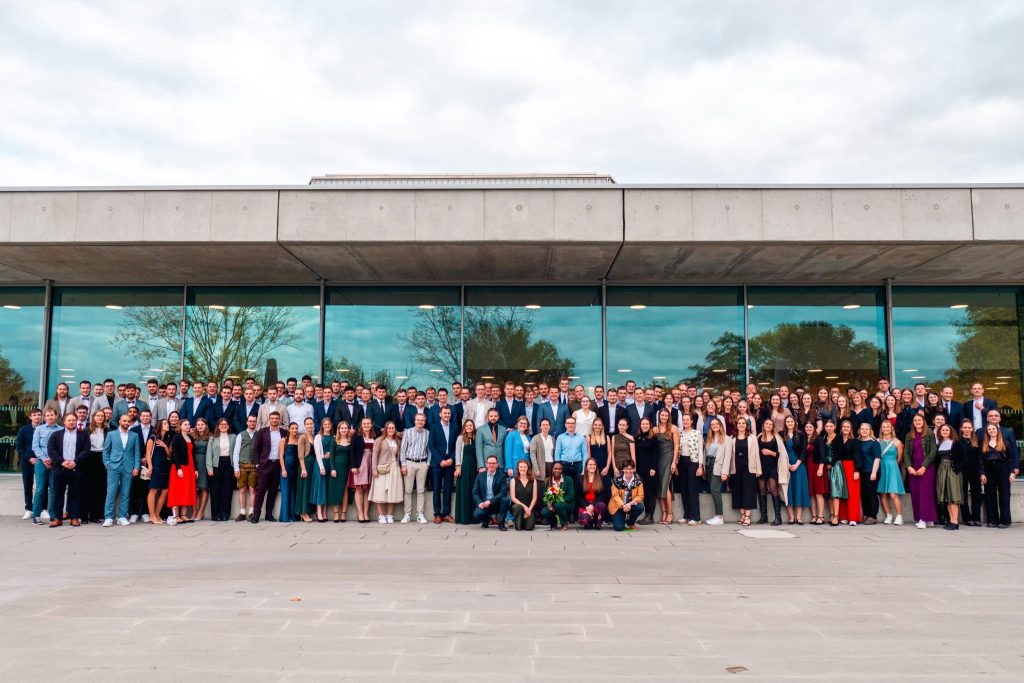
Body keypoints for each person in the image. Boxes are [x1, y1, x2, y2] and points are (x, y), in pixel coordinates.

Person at [47, 412, 89, 527]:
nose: (71, 422)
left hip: (76, 468)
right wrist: (62, 461)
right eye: (69, 420)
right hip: (60, 468)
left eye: (73, 420)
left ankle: (74, 517)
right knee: (57, 494)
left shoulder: (83, 435)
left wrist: (76, 461)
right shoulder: (56, 435)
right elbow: (51, 450)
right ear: (64, 422)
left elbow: (86, 450)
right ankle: (57, 518)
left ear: (77, 421)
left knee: (75, 494)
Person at [717, 415, 760, 527]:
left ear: (746, 426)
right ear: (736, 425)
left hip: (749, 468)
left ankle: (747, 516)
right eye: (739, 423)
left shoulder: (752, 438)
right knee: (738, 491)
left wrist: (758, 470)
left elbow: (756, 455)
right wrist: (725, 471)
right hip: (736, 469)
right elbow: (728, 456)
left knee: (748, 492)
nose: (741, 425)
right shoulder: (731, 439)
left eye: (743, 423)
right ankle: (742, 515)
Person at [101, 414, 141, 527]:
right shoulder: (111, 434)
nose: (126, 423)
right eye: (124, 421)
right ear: (119, 421)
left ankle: (122, 516)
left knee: (125, 492)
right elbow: (106, 451)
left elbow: (136, 453)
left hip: (128, 466)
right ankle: (108, 517)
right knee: (111, 492)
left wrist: (137, 467)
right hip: (113, 466)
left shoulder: (134, 435)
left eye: (128, 421)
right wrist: (107, 463)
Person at [251, 411, 287, 524]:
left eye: (277, 418)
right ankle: (256, 515)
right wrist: (257, 464)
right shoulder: (262, 432)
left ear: (279, 420)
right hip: (264, 465)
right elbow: (256, 449)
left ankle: (269, 514)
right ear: (269, 419)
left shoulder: (285, 432)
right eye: (272, 418)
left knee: (273, 491)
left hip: (277, 465)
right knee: (260, 491)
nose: (275, 420)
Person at [904, 413, 938, 529]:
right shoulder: (909, 435)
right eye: (915, 420)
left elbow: (933, 452)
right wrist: (909, 467)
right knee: (916, 493)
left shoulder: (929, 434)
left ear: (923, 421)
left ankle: (926, 518)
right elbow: (906, 453)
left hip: (926, 468)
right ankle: (921, 518)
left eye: (919, 420)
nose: (917, 422)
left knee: (926, 493)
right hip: (914, 468)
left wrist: (924, 466)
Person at [428, 405, 458, 523]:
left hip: (450, 461)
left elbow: (457, 445)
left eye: (448, 413)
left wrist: (452, 458)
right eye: (445, 413)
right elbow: (431, 445)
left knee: (448, 488)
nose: (447, 415)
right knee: (436, 488)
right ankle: (437, 514)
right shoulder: (434, 427)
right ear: (440, 414)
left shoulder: (454, 427)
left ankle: (446, 513)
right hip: (437, 462)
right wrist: (440, 460)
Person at [399, 412, 431, 524]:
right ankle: (407, 514)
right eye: (418, 420)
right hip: (410, 463)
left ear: (425, 421)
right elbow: (403, 449)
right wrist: (403, 464)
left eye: (422, 420)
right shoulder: (408, 432)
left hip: (422, 463)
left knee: (421, 490)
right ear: (414, 421)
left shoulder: (428, 433)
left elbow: (429, 449)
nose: (420, 422)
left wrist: (428, 464)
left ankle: (420, 514)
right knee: (408, 490)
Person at [369, 421, 402, 523]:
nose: (391, 430)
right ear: (385, 429)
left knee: (392, 492)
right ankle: (381, 515)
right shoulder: (379, 440)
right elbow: (374, 456)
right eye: (389, 428)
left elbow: (399, 456)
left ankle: (389, 515)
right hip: (382, 468)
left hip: (394, 468)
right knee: (380, 492)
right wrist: (374, 470)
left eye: (393, 428)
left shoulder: (397, 441)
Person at [755, 418, 787, 526]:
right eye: (766, 424)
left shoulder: (776, 438)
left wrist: (770, 452)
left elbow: (779, 454)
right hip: (761, 467)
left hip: (772, 467)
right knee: (762, 490)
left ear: (773, 426)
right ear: (764, 425)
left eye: (770, 424)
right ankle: (764, 516)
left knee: (774, 490)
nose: (768, 425)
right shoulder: (759, 437)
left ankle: (778, 517)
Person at [980, 423, 1012, 528]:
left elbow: (1010, 459)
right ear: (987, 431)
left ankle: (1005, 521)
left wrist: (1011, 473)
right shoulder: (983, 443)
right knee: (990, 495)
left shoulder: (1005, 443)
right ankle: (993, 520)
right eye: (989, 429)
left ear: (997, 430)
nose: (991, 430)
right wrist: (982, 473)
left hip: (1003, 470)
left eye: (993, 428)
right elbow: (980, 461)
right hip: (989, 471)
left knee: (1004, 495)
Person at [166, 419, 198, 525]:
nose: (188, 426)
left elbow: (193, 455)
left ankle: (183, 515)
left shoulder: (190, 438)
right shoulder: (177, 437)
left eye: (189, 424)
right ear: (180, 426)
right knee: (177, 490)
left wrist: (196, 469)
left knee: (186, 490)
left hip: (190, 467)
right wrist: (178, 468)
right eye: (185, 424)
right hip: (180, 467)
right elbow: (174, 453)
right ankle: (176, 516)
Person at [81, 410, 109, 524]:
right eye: (98, 416)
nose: (100, 418)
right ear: (93, 417)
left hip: (101, 458)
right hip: (89, 458)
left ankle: (95, 515)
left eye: (102, 416)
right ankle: (83, 515)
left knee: (99, 488)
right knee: (87, 488)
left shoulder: (107, 430)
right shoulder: (86, 430)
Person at [935, 423, 964, 531]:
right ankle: (951, 520)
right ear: (940, 432)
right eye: (943, 430)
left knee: (953, 497)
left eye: (947, 430)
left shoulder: (956, 443)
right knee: (946, 497)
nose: (945, 432)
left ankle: (955, 521)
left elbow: (964, 458)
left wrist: (957, 468)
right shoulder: (939, 444)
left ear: (951, 431)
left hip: (952, 471)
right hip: (942, 471)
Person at [652, 409, 679, 525]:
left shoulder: (673, 428)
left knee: (665, 486)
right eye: (662, 415)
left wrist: (674, 462)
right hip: (658, 459)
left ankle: (670, 513)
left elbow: (677, 445)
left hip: (668, 459)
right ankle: (663, 512)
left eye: (666, 415)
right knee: (659, 487)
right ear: (659, 416)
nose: (664, 417)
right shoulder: (654, 429)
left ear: (669, 416)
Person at [876, 420, 905, 525]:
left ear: (891, 428)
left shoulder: (897, 442)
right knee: (883, 494)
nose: (885, 429)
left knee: (893, 494)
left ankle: (899, 516)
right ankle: (889, 515)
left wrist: (892, 465)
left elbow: (900, 458)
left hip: (892, 467)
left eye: (887, 427)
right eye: (883, 427)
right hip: (881, 467)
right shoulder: (877, 441)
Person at [205, 418, 235, 521]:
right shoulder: (212, 438)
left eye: (225, 424)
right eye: (221, 424)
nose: (223, 426)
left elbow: (235, 453)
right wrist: (209, 468)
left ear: (228, 426)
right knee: (215, 491)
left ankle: (225, 514)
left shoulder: (233, 437)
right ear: (218, 426)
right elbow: (209, 454)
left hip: (229, 464)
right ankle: (216, 514)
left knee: (227, 490)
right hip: (216, 465)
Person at [782, 415, 809, 525]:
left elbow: (803, 451)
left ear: (795, 422)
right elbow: (780, 451)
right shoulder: (781, 434)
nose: (789, 423)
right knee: (788, 490)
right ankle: (791, 517)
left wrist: (797, 464)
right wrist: (787, 464)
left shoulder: (801, 434)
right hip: (786, 465)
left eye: (791, 421)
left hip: (799, 465)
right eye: (787, 421)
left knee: (799, 489)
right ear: (785, 423)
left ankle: (799, 517)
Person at [16, 407, 42, 520]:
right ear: (30, 417)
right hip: (27, 462)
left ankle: (43, 508)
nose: (37, 417)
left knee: (42, 486)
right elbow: (19, 447)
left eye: (39, 415)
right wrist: (29, 458)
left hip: (41, 461)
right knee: (28, 485)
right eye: (35, 415)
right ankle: (28, 509)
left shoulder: (45, 428)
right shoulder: (23, 429)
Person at [348, 418, 375, 523]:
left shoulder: (374, 436)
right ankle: (360, 513)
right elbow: (352, 452)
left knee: (367, 489)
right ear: (361, 425)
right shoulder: (356, 437)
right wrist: (353, 466)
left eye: (368, 423)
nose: (366, 425)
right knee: (359, 489)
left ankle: (365, 513)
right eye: (364, 424)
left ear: (371, 425)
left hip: (371, 463)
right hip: (360, 464)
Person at [232, 415, 258, 522]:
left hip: (254, 466)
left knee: (252, 489)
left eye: (254, 421)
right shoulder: (241, 435)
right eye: (250, 421)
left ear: (256, 422)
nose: (252, 423)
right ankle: (242, 512)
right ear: (247, 422)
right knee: (242, 489)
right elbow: (236, 452)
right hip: (242, 465)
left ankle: (251, 512)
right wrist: (236, 468)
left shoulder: (259, 434)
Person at [472, 455, 509, 530]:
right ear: (486, 464)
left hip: (497, 503)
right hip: (484, 504)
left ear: (497, 465)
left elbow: (503, 492)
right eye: (489, 463)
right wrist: (480, 503)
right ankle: (486, 521)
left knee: (505, 500)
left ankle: (501, 524)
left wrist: (490, 501)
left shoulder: (501, 476)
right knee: (477, 514)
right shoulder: (480, 476)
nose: (491, 465)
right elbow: (475, 492)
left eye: (493, 463)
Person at [145, 419, 171, 524]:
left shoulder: (168, 438)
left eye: (167, 423)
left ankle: (157, 514)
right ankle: (152, 516)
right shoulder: (153, 437)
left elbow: (170, 455)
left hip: (165, 467)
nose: (167, 425)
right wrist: (150, 467)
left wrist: (165, 446)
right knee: (153, 490)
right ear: (160, 426)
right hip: (155, 467)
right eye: (165, 423)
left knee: (165, 490)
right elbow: (148, 454)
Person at [958, 420, 983, 527]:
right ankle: (967, 518)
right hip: (962, 471)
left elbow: (981, 458)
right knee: (963, 494)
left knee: (976, 494)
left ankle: (976, 517)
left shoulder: (977, 441)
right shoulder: (957, 441)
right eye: (965, 427)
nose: (967, 429)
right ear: (961, 429)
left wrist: (982, 472)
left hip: (975, 471)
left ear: (972, 429)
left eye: (969, 427)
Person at [453, 419, 478, 524]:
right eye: (467, 425)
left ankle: (473, 517)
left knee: (473, 491)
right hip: (464, 467)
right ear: (464, 427)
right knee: (464, 491)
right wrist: (458, 467)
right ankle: (463, 517)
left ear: (473, 427)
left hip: (474, 468)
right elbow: (457, 453)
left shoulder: (476, 438)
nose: (469, 427)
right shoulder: (460, 438)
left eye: (470, 425)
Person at [855, 422, 881, 525]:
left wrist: (874, 472)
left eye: (866, 429)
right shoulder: (858, 442)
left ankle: (873, 516)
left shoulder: (874, 443)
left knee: (872, 494)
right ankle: (866, 514)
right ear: (859, 431)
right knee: (864, 494)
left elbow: (877, 458)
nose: (864, 431)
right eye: (862, 429)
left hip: (871, 471)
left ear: (870, 431)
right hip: (861, 471)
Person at [702, 419, 727, 525]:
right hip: (708, 465)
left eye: (717, 424)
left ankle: (720, 517)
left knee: (714, 489)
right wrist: (703, 468)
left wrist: (725, 471)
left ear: (720, 425)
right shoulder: (709, 438)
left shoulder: (726, 439)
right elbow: (705, 454)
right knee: (712, 490)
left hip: (718, 466)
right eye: (712, 424)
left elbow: (728, 456)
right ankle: (717, 516)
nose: (715, 426)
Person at [836, 420, 860, 525]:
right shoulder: (838, 439)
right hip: (840, 466)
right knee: (841, 491)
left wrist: (857, 470)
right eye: (844, 427)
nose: (846, 428)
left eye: (848, 427)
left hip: (851, 467)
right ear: (841, 428)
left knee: (852, 493)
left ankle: (853, 518)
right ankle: (844, 516)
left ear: (851, 429)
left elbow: (858, 457)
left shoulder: (854, 441)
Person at [277, 422, 302, 523]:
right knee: (286, 491)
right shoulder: (284, 440)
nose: (295, 430)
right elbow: (281, 456)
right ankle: (285, 517)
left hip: (296, 468)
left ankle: (294, 516)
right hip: (286, 468)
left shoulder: (299, 440)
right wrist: (283, 469)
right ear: (289, 429)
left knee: (294, 491)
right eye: (293, 428)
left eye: (296, 428)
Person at [294, 416, 317, 522]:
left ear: (313, 425)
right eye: (307, 424)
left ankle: (308, 510)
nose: (309, 425)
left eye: (311, 423)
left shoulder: (314, 436)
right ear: (304, 425)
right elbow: (300, 455)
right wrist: (303, 469)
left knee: (309, 489)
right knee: (304, 489)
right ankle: (302, 512)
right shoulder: (302, 437)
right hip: (306, 465)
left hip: (313, 465)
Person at [609, 463, 645, 531]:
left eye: (630, 469)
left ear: (634, 469)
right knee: (619, 528)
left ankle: (630, 523)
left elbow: (640, 496)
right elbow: (615, 495)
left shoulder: (638, 480)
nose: (628, 471)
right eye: (626, 469)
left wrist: (630, 504)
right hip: (619, 506)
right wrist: (623, 505)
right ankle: (619, 519)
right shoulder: (617, 480)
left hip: (631, 505)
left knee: (640, 507)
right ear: (623, 469)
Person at [539, 461, 574, 530]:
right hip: (551, 505)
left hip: (566, 504)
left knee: (558, 505)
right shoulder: (547, 481)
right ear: (552, 469)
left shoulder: (568, 480)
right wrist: (548, 503)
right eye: (555, 468)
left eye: (559, 469)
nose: (557, 470)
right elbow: (544, 497)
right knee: (544, 512)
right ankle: (553, 523)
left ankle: (564, 523)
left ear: (562, 470)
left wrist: (556, 501)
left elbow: (571, 496)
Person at [329, 421, 352, 522]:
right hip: (336, 468)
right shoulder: (335, 440)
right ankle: (336, 514)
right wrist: (332, 468)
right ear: (338, 429)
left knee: (345, 490)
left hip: (347, 468)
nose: (344, 430)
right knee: (336, 491)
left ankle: (343, 514)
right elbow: (331, 456)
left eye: (345, 428)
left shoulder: (351, 440)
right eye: (342, 428)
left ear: (348, 429)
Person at [576, 457, 608, 529]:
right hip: (585, 505)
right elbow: (578, 496)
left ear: (596, 466)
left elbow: (603, 495)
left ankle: (598, 521)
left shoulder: (601, 478)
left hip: (596, 504)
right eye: (590, 465)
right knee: (585, 519)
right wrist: (586, 506)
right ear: (586, 466)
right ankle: (590, 521)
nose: (592, 466)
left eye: (594, 464)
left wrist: (592, 505)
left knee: (602, 505)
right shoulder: (580, 478)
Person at [553, 416, 588, 481]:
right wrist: (557, 468)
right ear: (565, 425)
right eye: (568, 423)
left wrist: (584, 468)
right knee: (564, 487)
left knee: (578, 486)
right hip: (564, 465)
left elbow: (585, 454)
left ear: (575, 425)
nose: (570, 425)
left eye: (572, 423)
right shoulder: (560, 437)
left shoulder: (581, 438)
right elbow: (557, 454)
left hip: (578, 465)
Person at [191, 417, 211, 520]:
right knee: (194, 488)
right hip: (194, 462)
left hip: (205, 462)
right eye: (198, 425)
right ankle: (194, 512)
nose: (200, 426)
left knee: (204, 487)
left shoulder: (211, 436)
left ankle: (201, 511)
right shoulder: (192, 435)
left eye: (202, 424)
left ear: (206, 425)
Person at [508, 460, 538, 530]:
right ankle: (518, 520)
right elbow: (513, 498)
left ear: (528, 468)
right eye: (521, 467)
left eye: (525, 467)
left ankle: (525, 520)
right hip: (517, 506)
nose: (523, 469)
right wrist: (525, 507)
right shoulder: (513, 481)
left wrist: (529, 509)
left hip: (529, 507)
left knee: (529, 527)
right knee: (519, 527)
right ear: (518, 468)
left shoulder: (533, 481)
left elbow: (534, 497)